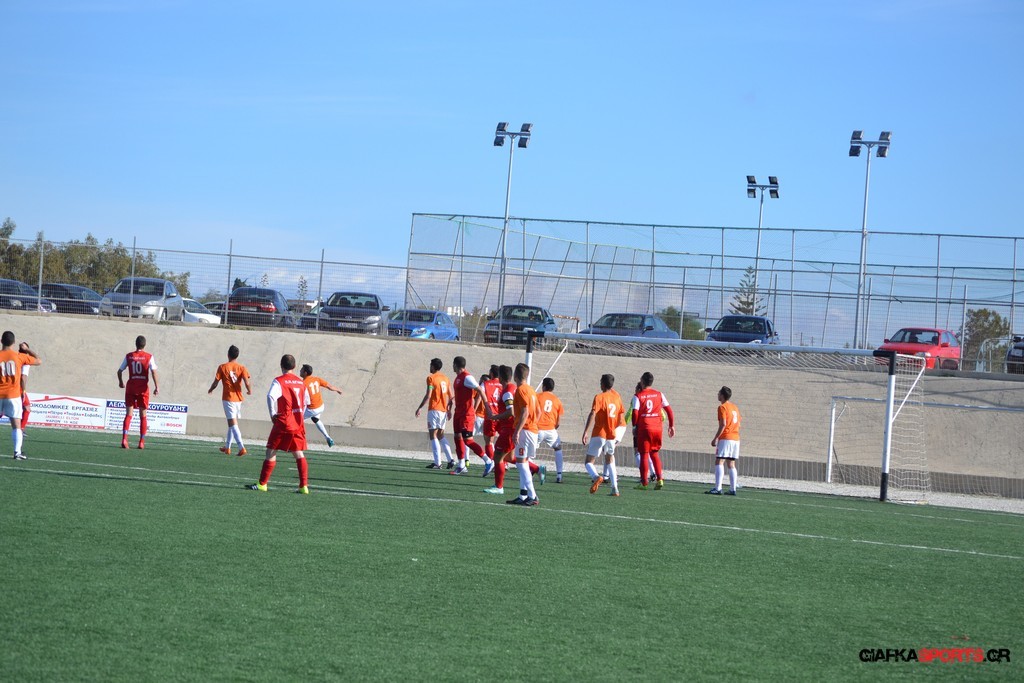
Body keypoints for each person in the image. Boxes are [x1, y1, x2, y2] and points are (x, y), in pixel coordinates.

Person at [249, 354, 312, 494]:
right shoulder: (301, 382)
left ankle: (262, 484)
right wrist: (300, 416)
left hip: (284, 422)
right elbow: (307, 402)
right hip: (297, 423)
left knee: (271, 451)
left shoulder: (279, 381)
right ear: (294, 366)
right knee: (298, 453)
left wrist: (272, 414)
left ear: (281, 365)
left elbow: (270, 396)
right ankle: (303, 486)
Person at [483, 365, 542, 495]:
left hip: (511, 429)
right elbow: (538, 411)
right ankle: (531, 480)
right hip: (525, 429)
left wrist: (495, 417)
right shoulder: (527, 389)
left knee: (499, 456)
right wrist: (533, 424)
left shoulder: (509, 392)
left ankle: (499, 487)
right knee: (512, 458)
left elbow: (511, 411)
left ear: (500, 377)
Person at [581, 373, 625, 496]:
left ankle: (596, 477)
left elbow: (592, 413)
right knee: (610, 459)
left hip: (599, 433)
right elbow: (620, 419)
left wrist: (586, 431)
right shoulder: (617, 398)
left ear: (603, 384)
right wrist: (612, 427)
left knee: (588, 462)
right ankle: (615, 488)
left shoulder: (599, 397)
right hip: (611, 434)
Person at [0, 332, 40, 460]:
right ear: (13, 342)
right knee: (16, 425)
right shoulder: (19, 356)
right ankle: (17, 452)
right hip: (13, 395)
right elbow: (38, 360)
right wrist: (27, 349)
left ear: (1, 341)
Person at [632, 372, 675, 490]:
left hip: (645, 428)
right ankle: (660, 479)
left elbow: (635, 413)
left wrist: (635, 427)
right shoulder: (659, 394)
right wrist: (671, 426)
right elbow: (669, 410)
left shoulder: (638, 396)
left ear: (642, 381)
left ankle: (644, 483)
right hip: (657, 428)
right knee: (654, 453)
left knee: (644, 454)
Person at [450, 356, 492, 475]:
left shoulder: (467, 377)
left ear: (455, 365)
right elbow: (460, 393)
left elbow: (480, 390)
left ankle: (488, 461)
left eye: (453, 364)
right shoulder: (458, 378)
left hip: (466, 414)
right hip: (458, 413)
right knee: (457, 437)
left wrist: (487, 406)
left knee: (468, 441)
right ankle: (461, 465)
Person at [208, 345, 252, 456]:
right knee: (231, 423)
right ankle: (227, 447)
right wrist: (249, 391)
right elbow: (247, 382)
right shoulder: (242, 367)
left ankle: (241, 447)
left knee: (233, 424)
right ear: (237, 356)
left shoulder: (222, 367)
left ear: (228, 354)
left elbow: (216, 382)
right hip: (238, 399)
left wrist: (211, 389)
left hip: (228, 399)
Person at [507, 362, 541, 505]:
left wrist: (518, 431)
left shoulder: (520, 390)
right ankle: (523, 495)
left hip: (525, 431)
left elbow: (525, 412)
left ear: (515, 375)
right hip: (532, 430)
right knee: (524, 462)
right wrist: (533, 424)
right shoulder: (531, 390)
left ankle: (533, 496)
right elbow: (538, 412)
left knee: (520, 463)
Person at [117, 335, 158, 450]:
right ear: (145, 345)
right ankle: (141, 442)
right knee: (143, 416)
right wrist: (157, 387)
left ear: (135, 344)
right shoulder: (149, 357)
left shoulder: (129, 356)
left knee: (128, 415)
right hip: (143, 389)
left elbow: (119, 371)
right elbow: (154, 372)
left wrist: (121, 382)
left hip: (131, 387)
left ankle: (124, 439)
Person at [414, 358, 454, 469]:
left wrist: (419, 407)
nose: (429, 367)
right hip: (443, 411)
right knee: (441, 435)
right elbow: (451, 397)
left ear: (433, 366)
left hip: (434, 410)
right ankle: (450, 459)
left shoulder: (431, 378)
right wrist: (449, 410)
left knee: (433, 435)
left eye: (430, 365)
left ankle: (438, 463)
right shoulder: (446, 378)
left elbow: (428, 395)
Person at [707, 386, 741, 496]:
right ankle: (733, 489)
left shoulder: (722, 407)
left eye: (719, 393)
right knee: (731, 463)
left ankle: (718, 488)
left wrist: (716, 438)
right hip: (735, 438)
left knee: (719, 461)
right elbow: (739, 423)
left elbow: (723, 424)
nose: (717, 395)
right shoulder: (735, 407)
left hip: (726, 437)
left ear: (722, 395)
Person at [299, 364, 343, 446]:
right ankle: (328, 437)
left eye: (301, 369)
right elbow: (329, 386)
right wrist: (338, 389)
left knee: (297, 420)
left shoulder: (303, 383)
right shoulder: (317, 379)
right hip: (321, 406)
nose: (300, 370)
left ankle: (298, 441)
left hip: (312, 409)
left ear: (305, 373)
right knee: (315, 419)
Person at [535, 377, 566, 483]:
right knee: (558, 448)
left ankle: (532, 471)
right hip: (551, 430)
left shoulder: (537, 396)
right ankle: (559, 475)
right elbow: (558, 422)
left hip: (537, 429)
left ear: (543, 386)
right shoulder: (557, 400)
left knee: (530, 451)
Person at [479, 365, 503, 467]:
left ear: (491, 374)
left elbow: (480, 394)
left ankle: (492, 464)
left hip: (490, 415)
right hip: (502, 416)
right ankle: (504, 463)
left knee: (488, 442)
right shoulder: (503, 385)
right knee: (503, 440)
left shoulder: (485, 384)